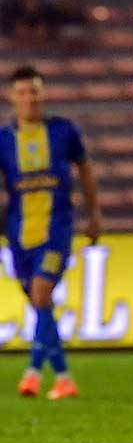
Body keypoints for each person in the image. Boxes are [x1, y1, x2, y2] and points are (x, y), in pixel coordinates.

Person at [0, 65, 102, 399]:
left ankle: (31, 372)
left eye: (35, 91)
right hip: (19, 233)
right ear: (12, 97)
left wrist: (94, 214)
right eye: (23, 92)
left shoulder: (63, 131)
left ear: (43, 94)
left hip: (57, 228)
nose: (29, 98)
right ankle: (63, 377)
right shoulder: (4, 139)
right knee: (39, 304)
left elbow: (85, 170)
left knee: (42, 294)